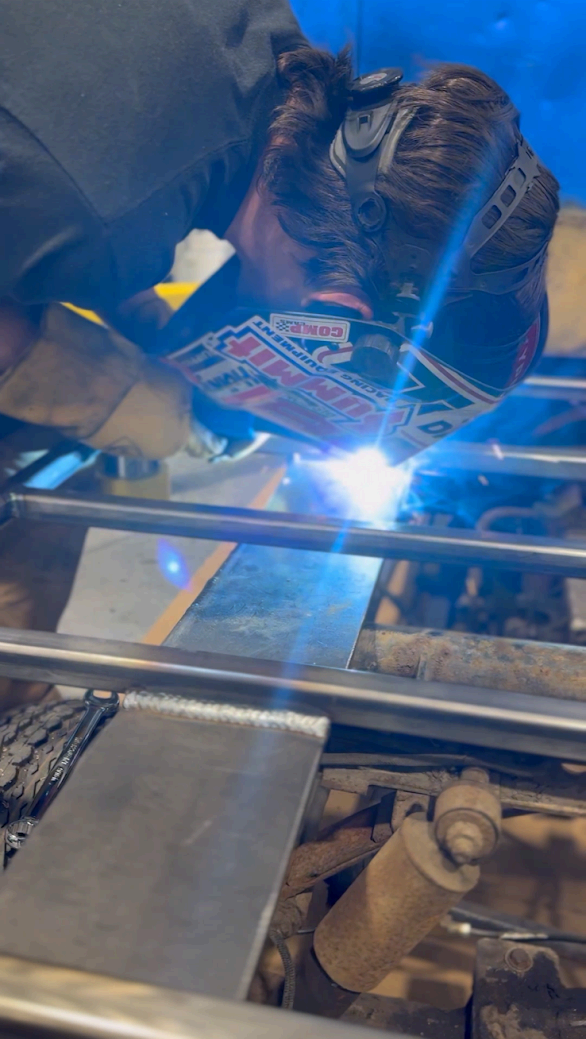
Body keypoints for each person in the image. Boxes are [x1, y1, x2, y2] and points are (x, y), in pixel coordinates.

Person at [0, 0, 559, 708]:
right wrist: (64, 373)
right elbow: (76, 189)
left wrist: (116, 297)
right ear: (340, 313)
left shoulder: (258, 34)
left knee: (48, 479)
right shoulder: (92, 219)